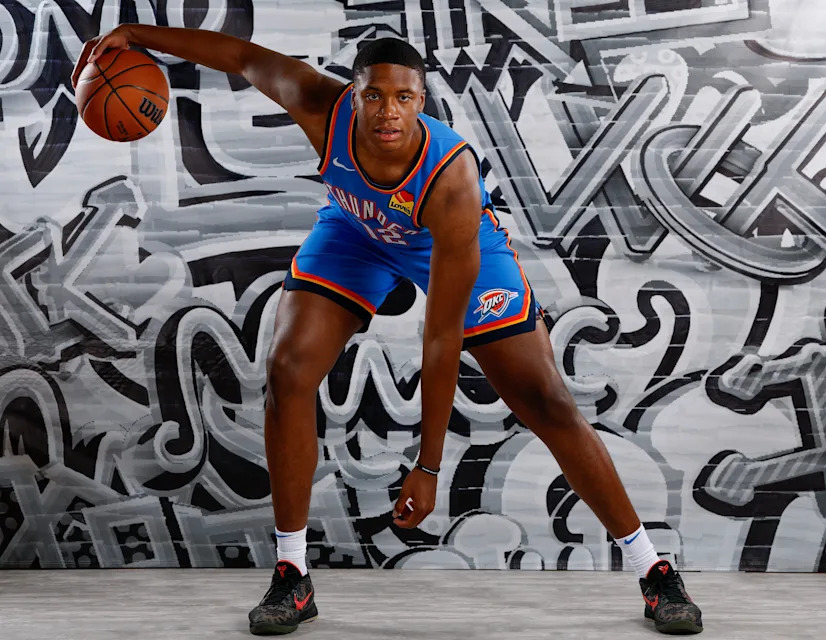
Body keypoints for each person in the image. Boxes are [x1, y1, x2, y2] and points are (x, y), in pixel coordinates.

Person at [72, 26, 704, 636]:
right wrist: (136, 33)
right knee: (288, 372)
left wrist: (427, 467)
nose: (387, 110)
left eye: (404, 97)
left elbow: (440, 336)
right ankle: (292, 570)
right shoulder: (321, 107)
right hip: (356, 232)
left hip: (446, 246)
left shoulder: (449, 177)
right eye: (374, 94)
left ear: (421, 102)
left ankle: (653, 566)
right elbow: (240, 55)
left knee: (545, 400)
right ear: (353, 94)